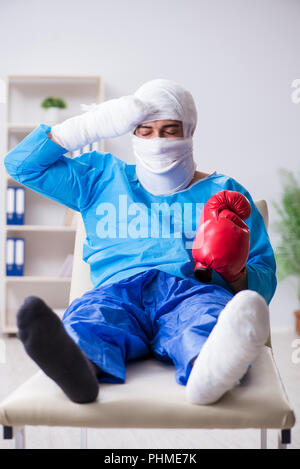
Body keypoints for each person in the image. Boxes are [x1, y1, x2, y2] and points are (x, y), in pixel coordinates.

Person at [4, 79, 276, 405]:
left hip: (191, 293)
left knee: (208, 319)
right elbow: (20, 165)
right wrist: (89, 126)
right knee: (90, 318)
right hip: (116, 291)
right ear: (131, 133)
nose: (157, 141)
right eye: (144, 131)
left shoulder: (224, 193)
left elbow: (263, 283)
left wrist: (235, 273)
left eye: (170, 130)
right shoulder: (100, 177)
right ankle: (80, 373)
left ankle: (207, 373)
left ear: (189, 132)